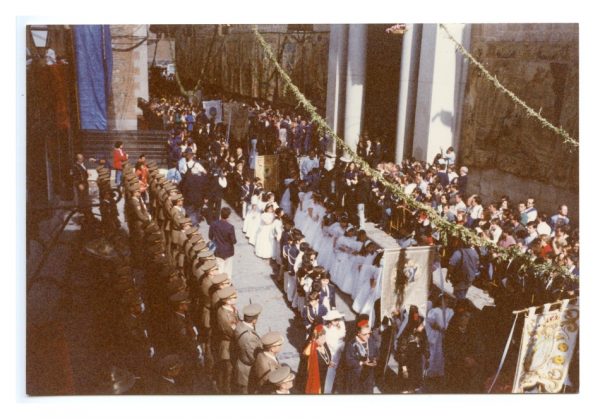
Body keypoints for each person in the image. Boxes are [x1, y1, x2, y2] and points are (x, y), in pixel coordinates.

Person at [395, 305, 429, 393]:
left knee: (416, 387)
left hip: (417, 363)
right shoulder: (406, 332)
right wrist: (404, 368)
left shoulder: (421, 329)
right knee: (406, 387)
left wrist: (427, 356)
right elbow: (401, 351)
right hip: (407, 363)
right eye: (415, 315)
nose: (418, 318)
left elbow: (425, 343)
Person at [214, 286, 240, 394]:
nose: (236, 299)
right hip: (227, 347)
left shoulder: (232, 308)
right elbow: (230, 331)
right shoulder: (223, 314)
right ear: (226, 300)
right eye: (233, 297)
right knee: (228, 372)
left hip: (233, 344)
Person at [343, 319, 379, 394]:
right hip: (356, 378)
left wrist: (375, 359)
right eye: (365, 334)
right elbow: (349, 361)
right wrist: (362, 363)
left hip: (368, 377)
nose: (368, 336)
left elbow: (376, 353)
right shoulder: (351, 344)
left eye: (369, 333)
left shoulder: (371, 341)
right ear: (358, 333)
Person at [234, 303, 263, 394]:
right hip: (247, 373)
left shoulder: (240, 325)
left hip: (241, 363)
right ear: (254, 320)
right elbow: (252, 356)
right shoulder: (249, 337)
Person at [303, 324, 332, 394]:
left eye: (324, 338)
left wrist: (329, 363)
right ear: (315, 339)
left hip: (326, 373)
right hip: (317, 375)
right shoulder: (312, 349)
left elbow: (326, 357)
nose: (324, 341)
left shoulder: (324, 344)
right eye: (321, 339)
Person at [209, 207, 237, 279]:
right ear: (228, 216)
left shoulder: (213, 224)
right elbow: (234, 241)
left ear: (220, 214)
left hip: (218, 250)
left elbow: (210, 236)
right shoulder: (230, 227)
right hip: (228, 251)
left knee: (219, 269)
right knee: (228, 271)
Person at [323, 310, 346, 393]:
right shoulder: (326, 329)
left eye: (337, 319)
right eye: (334, 320)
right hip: (332, 353)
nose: (337, 321)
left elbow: (343, 335)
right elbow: (329, 342)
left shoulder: (341, 324)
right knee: (330, 374)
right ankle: (327, 392)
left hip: (341, 351)